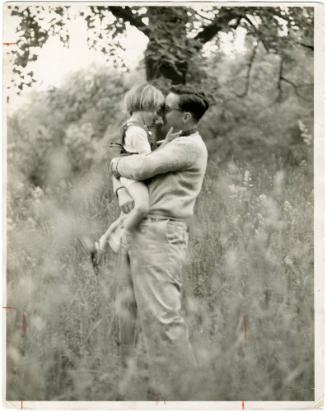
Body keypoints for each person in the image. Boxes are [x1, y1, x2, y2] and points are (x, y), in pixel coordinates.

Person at [111, 85, 209, 400]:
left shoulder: (189, 147)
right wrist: (121, 186)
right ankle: (154, 391)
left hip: (161, 235)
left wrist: (114, 163)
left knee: (165, 319)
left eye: (167, 109)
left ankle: (185, 394)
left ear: (186, 116)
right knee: (132, 315)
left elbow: (139, 167)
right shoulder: (173, 140)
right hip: (145, 232)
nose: (160, 114)